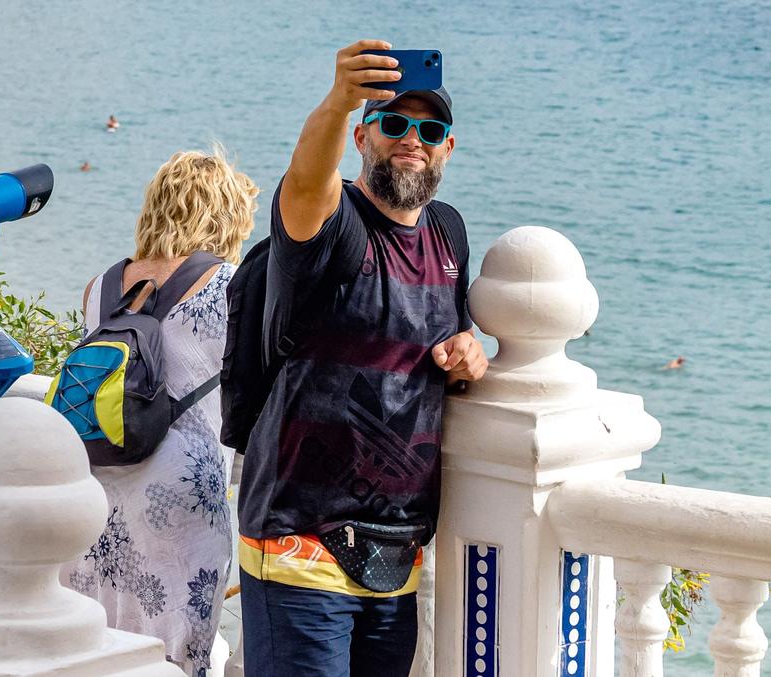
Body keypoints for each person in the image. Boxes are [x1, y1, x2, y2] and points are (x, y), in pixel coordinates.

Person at [236, 42, 485, 676]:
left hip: (395, 559)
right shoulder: (332, 225)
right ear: (362, 138)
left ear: (448, 148)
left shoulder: (448, 233)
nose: (413, 140)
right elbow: (305, 182)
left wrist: (470, 352)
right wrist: (341, 95)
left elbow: (443, 333)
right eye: (394, 124)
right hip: (301, 545)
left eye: (431, 130)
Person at [65, 149, 258, 677]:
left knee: (98, 654)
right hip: (182, 495)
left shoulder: (102, 286)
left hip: (95, 490)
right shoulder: (231, 286)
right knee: (176, 661)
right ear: (226, 214)